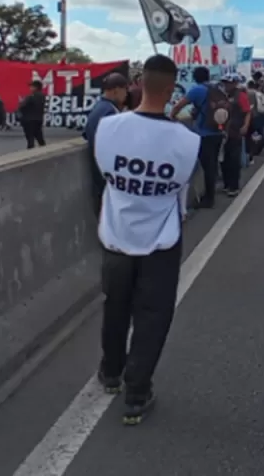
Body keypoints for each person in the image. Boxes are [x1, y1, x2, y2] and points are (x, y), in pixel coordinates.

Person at [94, 54, 200, 426]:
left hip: (115, 236)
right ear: (172, 89)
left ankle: (110, 373)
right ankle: (137, 394)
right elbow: (180, 193)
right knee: (152, 317)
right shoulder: (187, 141)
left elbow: (104, 176)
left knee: (115, 306)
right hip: (161, 241)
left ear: (139, 83)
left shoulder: (107, 128)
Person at [170, 67, 224, 209]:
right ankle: (211, 192)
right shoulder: (216, 88)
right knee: (212, 164)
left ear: (195, 77)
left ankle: (208, 198)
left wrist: (171, 118)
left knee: (207, 166)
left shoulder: (197, 90)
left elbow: (179, 106)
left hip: (204, 133)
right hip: (218, 130)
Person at [84, 73, 130, 215]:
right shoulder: (109, 112)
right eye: (125, 91)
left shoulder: (100, 107)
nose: (126, 95)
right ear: (116, 90)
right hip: (107, 176)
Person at [220, 75, 251, 196]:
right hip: (224, 132)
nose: (226, 86)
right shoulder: (224, 96)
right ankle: (227, 184)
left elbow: (247, 112)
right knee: (224, 160)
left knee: (233, 159)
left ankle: (234, 186)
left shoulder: (240, 96)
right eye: (225, 83)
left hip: (235, 131)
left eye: (228, 83)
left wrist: (245, 126)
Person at [17, 80, 48, 149]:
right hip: (39, 119)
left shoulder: (31, 97)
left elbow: (22, 106)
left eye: (31, 86)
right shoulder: (42, 96)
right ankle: (44, 150)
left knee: (30, 139)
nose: (30, 88)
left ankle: (30, 152)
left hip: (29, 120)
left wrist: (21, 103)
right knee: (39, 137)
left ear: (36, 87)